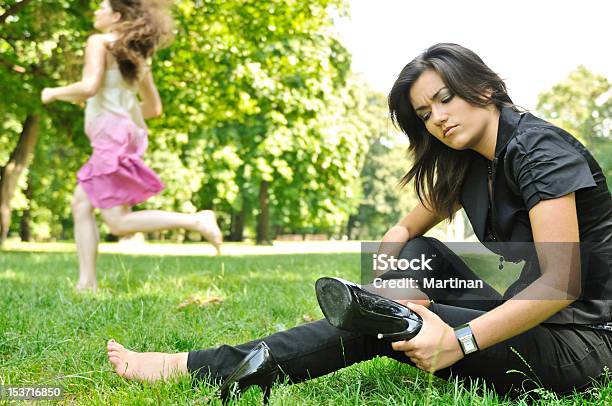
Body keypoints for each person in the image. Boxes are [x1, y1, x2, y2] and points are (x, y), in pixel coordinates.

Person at [106, 43, 611, 399]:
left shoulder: (540, 151)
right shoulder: (469, 161)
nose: (437, 117)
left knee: (379, 324)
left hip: (583, 343)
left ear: (481, 87)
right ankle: (393, 318)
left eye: (444, 98)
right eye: (424, 112)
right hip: (529, 314)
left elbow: (560, 286)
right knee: (406, 276)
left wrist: (458, 340)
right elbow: (401, 233)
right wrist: (394, 286)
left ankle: (199, 367)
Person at [41, 0, 223, 292]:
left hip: (110, 138)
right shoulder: (136, 56)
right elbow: (153, 108)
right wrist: (121, 112)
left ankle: (197, 221)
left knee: (117, 222)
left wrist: (53, 92)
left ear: (115, 16)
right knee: (81, 204)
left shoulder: (99, 42)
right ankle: (86, 283)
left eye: (101, 8)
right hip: (123, 136)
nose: (95, 12)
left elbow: (88, 86)